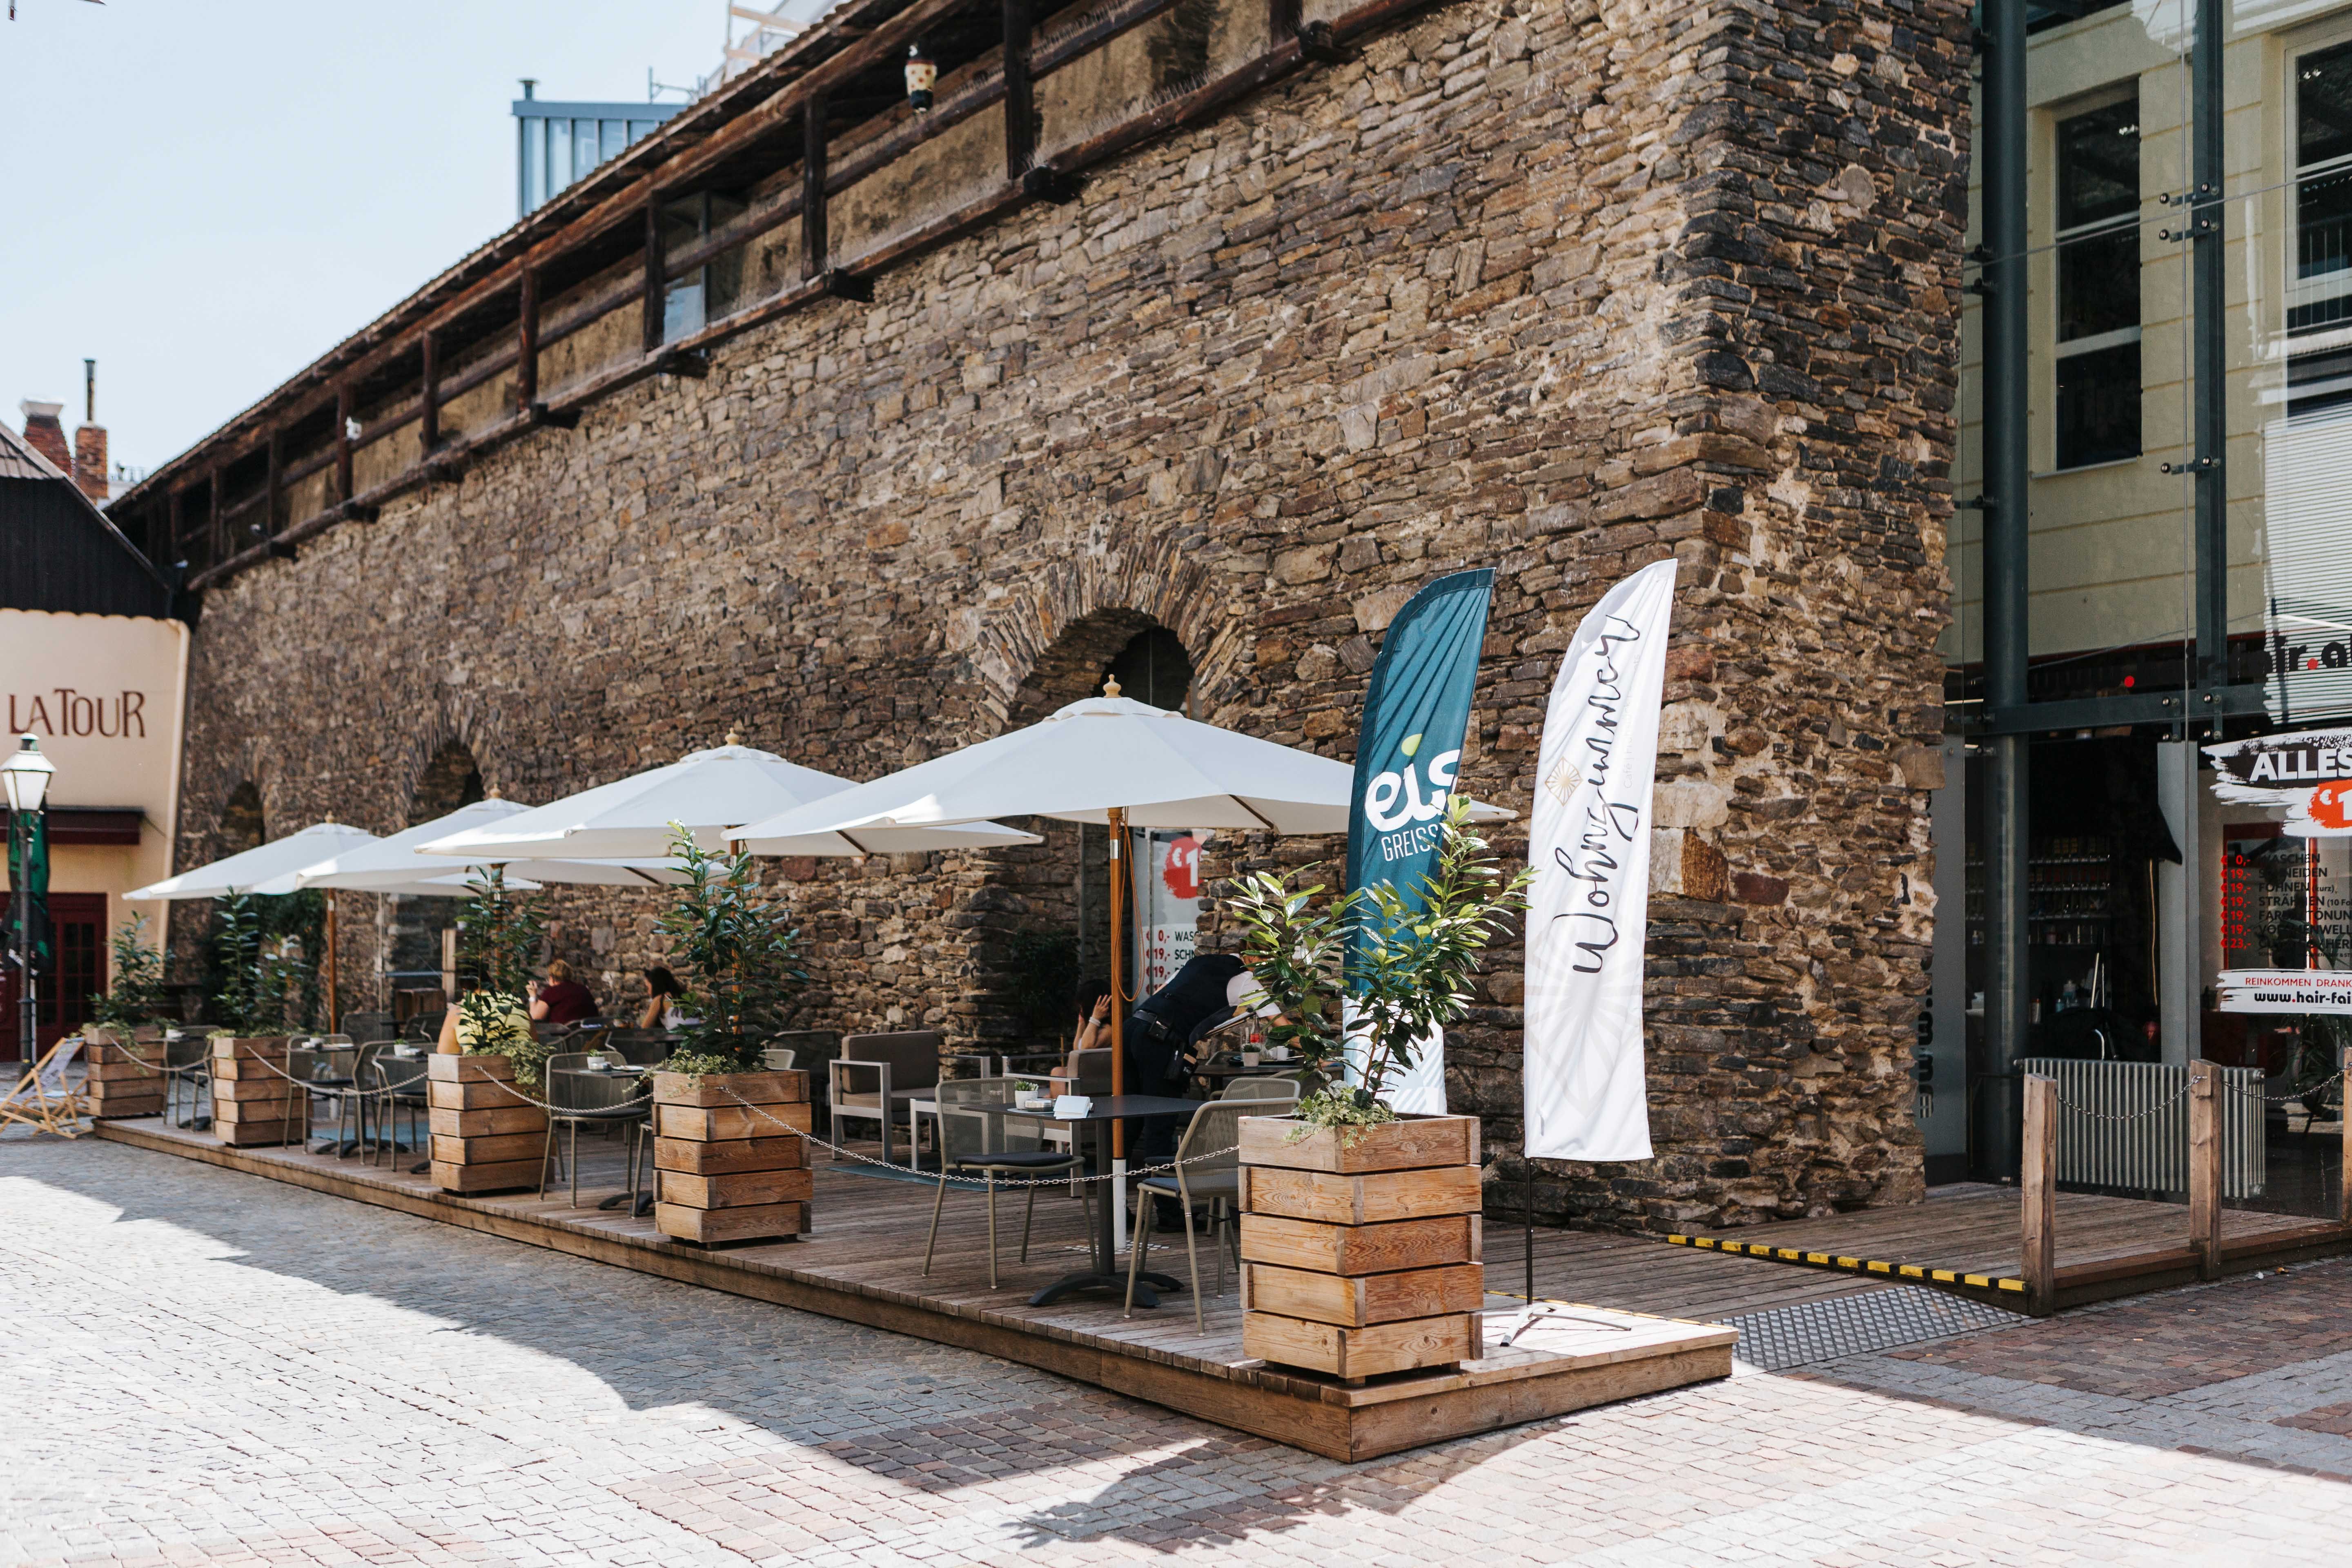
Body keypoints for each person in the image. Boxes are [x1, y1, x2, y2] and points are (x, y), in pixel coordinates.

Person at [528, 960, 597, 1025]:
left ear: (552, 978)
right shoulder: (583, 989)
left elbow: (535, 1018)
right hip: (588, 1033)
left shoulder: (552, 992)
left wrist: (533, 996)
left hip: (564, 1035)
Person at [638, 966, 687, 1031]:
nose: (648, 992)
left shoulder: (660, 999)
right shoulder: (685, 996)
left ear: (655, 986)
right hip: (696, 1039)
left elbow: (645, 1028)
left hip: (677, 1039)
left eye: (648, 987)